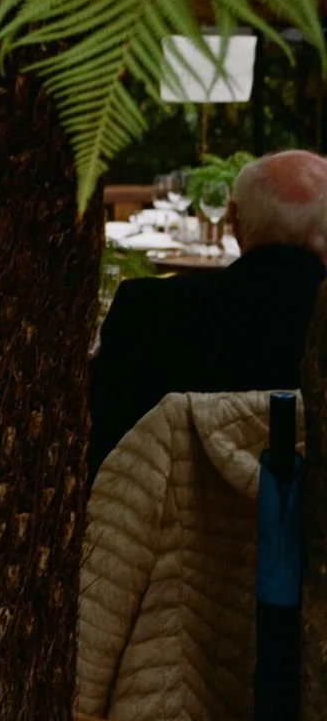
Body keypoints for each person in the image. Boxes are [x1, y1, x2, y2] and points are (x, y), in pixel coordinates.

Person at [89, 149, 327, 479]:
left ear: (234, 221)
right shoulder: (315, 325)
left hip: (156, 506)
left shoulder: (147, 310)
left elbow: (103, 444)